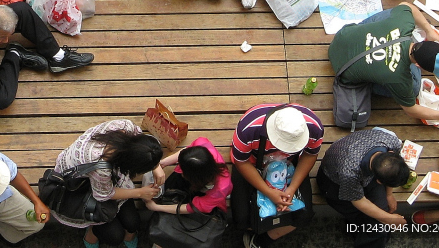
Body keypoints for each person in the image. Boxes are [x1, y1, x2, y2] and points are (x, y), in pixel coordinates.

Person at [327, 1, 439, 127]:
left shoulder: (403, 24)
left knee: (393, 14)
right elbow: (411, 110)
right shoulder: (399, 77)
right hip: (343, 69)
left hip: (342, 38)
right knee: (414, 89)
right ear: (418, 66)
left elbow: (406, 6)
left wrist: (429, 30)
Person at [52, 119, 164, 248]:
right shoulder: (102, 168)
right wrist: (140, 192)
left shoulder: (126, 127)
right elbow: (103, 195)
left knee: (133, 222)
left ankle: (128, 233)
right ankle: (91, 233)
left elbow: (142, 142)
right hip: (79, 184)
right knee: (114, 237)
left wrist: (156, 166)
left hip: (100, 176)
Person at [229, 104, 323, 247]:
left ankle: (260, 240)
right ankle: (252, 230)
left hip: (289, 165)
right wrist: (268, 192)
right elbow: (241, 162)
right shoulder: (248, 128)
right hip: (252, 164)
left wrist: (291, 188)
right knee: (241, 218)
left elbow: (310, 154)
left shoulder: (314, 127)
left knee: (304, 215)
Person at [316, 129, 412, 248]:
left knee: (381, 217)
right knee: (371, 222)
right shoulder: (349, 172)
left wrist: (389, 195)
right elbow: (358, 201)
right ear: (378, 181)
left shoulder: (391, 142)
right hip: (334, 182)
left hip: (365, 171)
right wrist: (389, 219)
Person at [144, 137, 231, 216]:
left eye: (183, 170)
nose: (180, 172)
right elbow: (186, 152)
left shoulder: (220, 189)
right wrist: (161, 164)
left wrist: (156, 207)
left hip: (206, 195)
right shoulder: (202, 144)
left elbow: (191, 208)